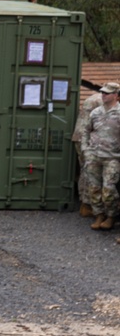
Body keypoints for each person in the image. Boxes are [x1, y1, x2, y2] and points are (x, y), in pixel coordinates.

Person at [83, 82, 120, 231]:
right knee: (93, 188)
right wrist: (86, 150)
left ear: (116, 95)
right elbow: (85, 131)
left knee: (109, 189)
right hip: (94, 157)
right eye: (103, 92)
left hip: (112, 157)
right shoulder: (96, 112)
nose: (103, 95)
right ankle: (99, 215)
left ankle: (111, 216)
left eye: (107, 93)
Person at [72, 89, 104, 218]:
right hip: (88, 139)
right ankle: (87, 205)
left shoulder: (95, 97)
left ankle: (84, 203)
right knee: (90, 172)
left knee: (85, 171)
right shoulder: (102, 101)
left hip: (80, 137)